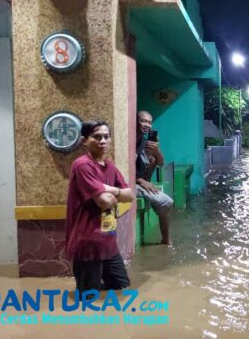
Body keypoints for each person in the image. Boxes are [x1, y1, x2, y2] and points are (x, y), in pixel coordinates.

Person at [65, 120, 135, 293]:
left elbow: (130, 195)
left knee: (121, 286)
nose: (102, 141)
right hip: (87, 243)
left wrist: (108, 189)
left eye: (106, 137)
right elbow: (104, 202)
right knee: (88, 297)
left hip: (107, 240)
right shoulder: (82, 165)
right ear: (84, 141)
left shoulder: (110, 166)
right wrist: (117, 193)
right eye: (96, 137)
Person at [136, 110, 174, 245]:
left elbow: (161, 163)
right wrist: (140, 181)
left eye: (149, 122)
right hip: (131, 183)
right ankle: (167, 241)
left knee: (152, 158)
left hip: (142, 180)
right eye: (143, 121)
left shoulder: (145, 142)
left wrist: (156, 150)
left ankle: (166, 239)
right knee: (167, 202)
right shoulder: (128, 142)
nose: (147, 125)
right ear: (135, 122)